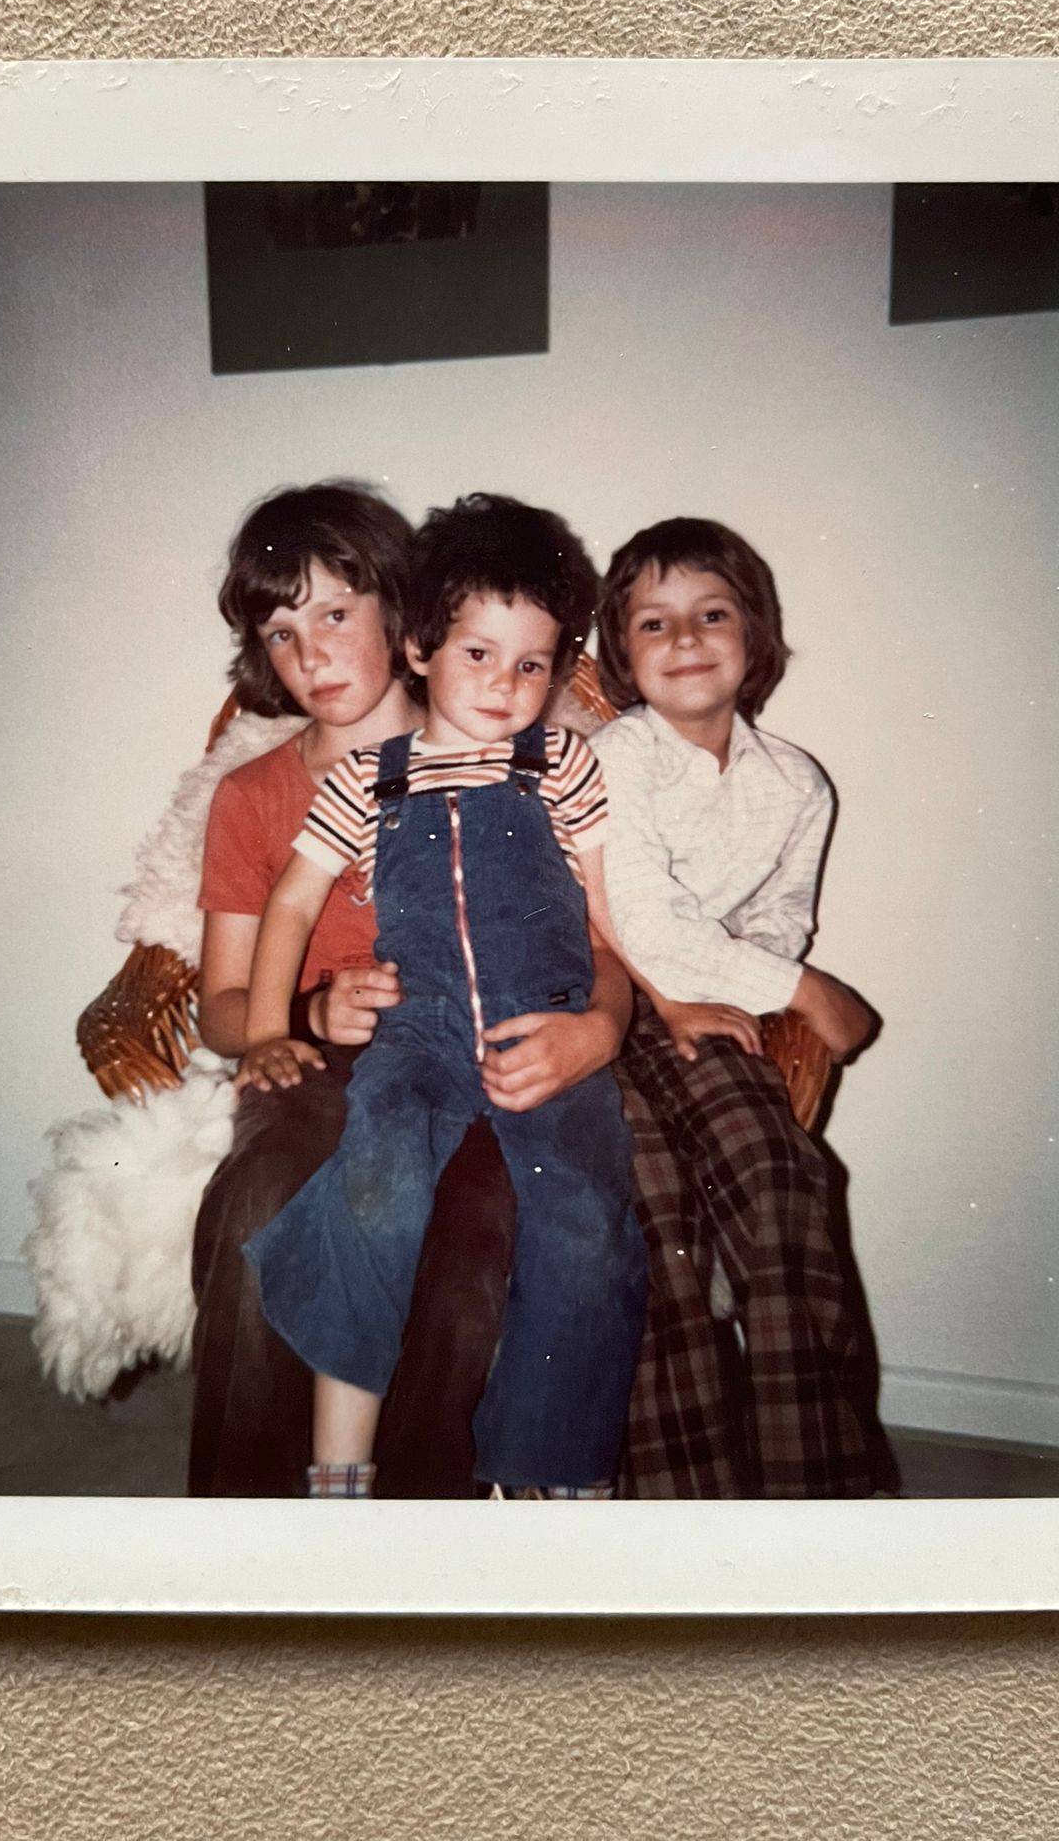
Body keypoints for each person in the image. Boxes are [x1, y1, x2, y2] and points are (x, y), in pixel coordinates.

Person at [240, 495, 648, 1498]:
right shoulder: (368, 780)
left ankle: (550, 1478)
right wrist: (263, 1028)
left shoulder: (563, 764)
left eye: (533, 664)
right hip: (418, 1032)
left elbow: (616, 921)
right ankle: (340, 1470)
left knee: (588, 1222)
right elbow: (290, 899)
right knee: (374, 1185)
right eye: (479, 654)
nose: (507, 685)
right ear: (420, 647)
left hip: (545, 1022)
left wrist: (611, 1021)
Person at [187, 480, 516, 1498]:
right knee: (262, 1201)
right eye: (282, 633)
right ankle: (246, 1524)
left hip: (462, 1067)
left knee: (473, 1242)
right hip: (316, 1064)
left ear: (400, 613)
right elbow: (220, 1008)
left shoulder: (494, 762)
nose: (312, 655)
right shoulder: (251, 797)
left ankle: (407, 1530)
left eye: (335, 614)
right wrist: (302, 1012)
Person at [590, 516, 893, 1499]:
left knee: (777, 1172)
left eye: (711, 614)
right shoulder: (617, 755)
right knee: (647, 1202)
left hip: (710, 1006)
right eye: (654, 621)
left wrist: (765, 982)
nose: (684, 638)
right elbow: (641, 919)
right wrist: (805, 993)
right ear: (622, 652)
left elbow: (777, 919)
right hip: (598, 997)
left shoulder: (797, 784)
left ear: (754, 634)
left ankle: (819, 1487)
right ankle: (683, 1501)